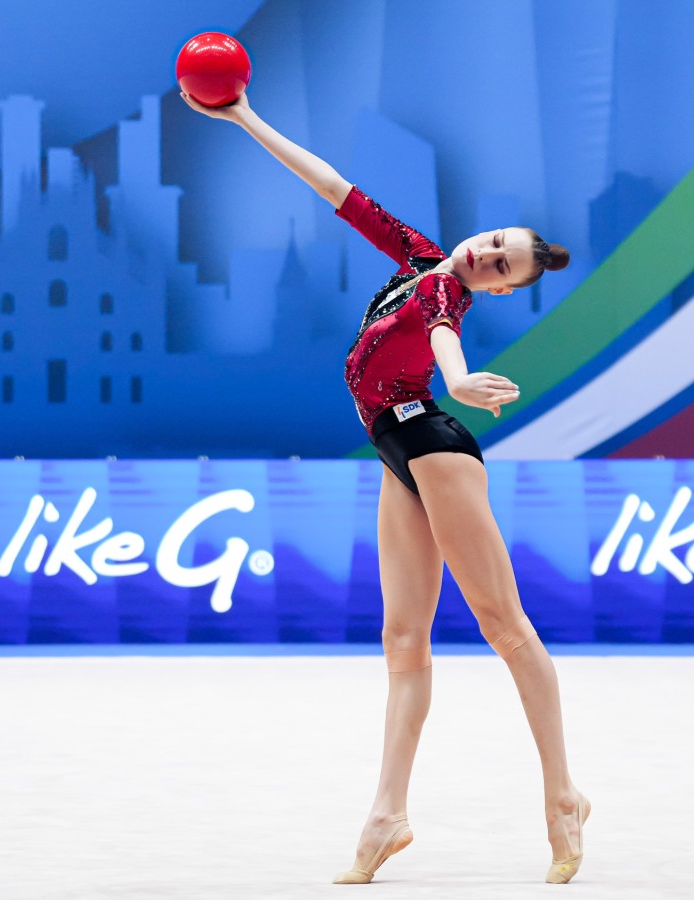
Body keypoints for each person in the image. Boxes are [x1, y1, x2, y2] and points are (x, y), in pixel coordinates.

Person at [182, 90, 588, 886]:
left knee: (505, 627)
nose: (485, 257)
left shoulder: (444, 293)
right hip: (397, 450)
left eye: (500, 267)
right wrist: (243, 118)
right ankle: (387, 814)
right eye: (493, 243)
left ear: (501, 291)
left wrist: (459, 379)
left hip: (433, 445)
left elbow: (441, 332)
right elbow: (333, 186)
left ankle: (563, 797)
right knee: (403, 642)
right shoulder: (419, 258)